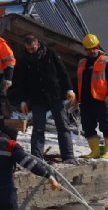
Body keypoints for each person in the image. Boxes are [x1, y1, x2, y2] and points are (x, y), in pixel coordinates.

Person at [13, 35, 77, 163]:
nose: (31, 51)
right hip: (37, 98)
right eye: (28, 49)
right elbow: (21, 81)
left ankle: (68, 156)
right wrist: (23, 100)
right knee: (38, 129)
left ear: (37, 43)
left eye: (33, 48)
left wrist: (69, 89)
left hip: (55, 95)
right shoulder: (24, 60)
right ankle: (37, 158)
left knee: (62, 127)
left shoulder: (50, 54)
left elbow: (62, 72)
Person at [77, 33, 108, 159]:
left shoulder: (105, 61)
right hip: (85, 101)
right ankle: (94, 151)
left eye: (94, 47)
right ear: (85, 49)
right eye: (89, 48)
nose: (92, 50)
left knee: (106, 125)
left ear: (98, 46)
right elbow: (78, 81)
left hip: (101, 100)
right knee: (88, 126)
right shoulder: (82, 62)